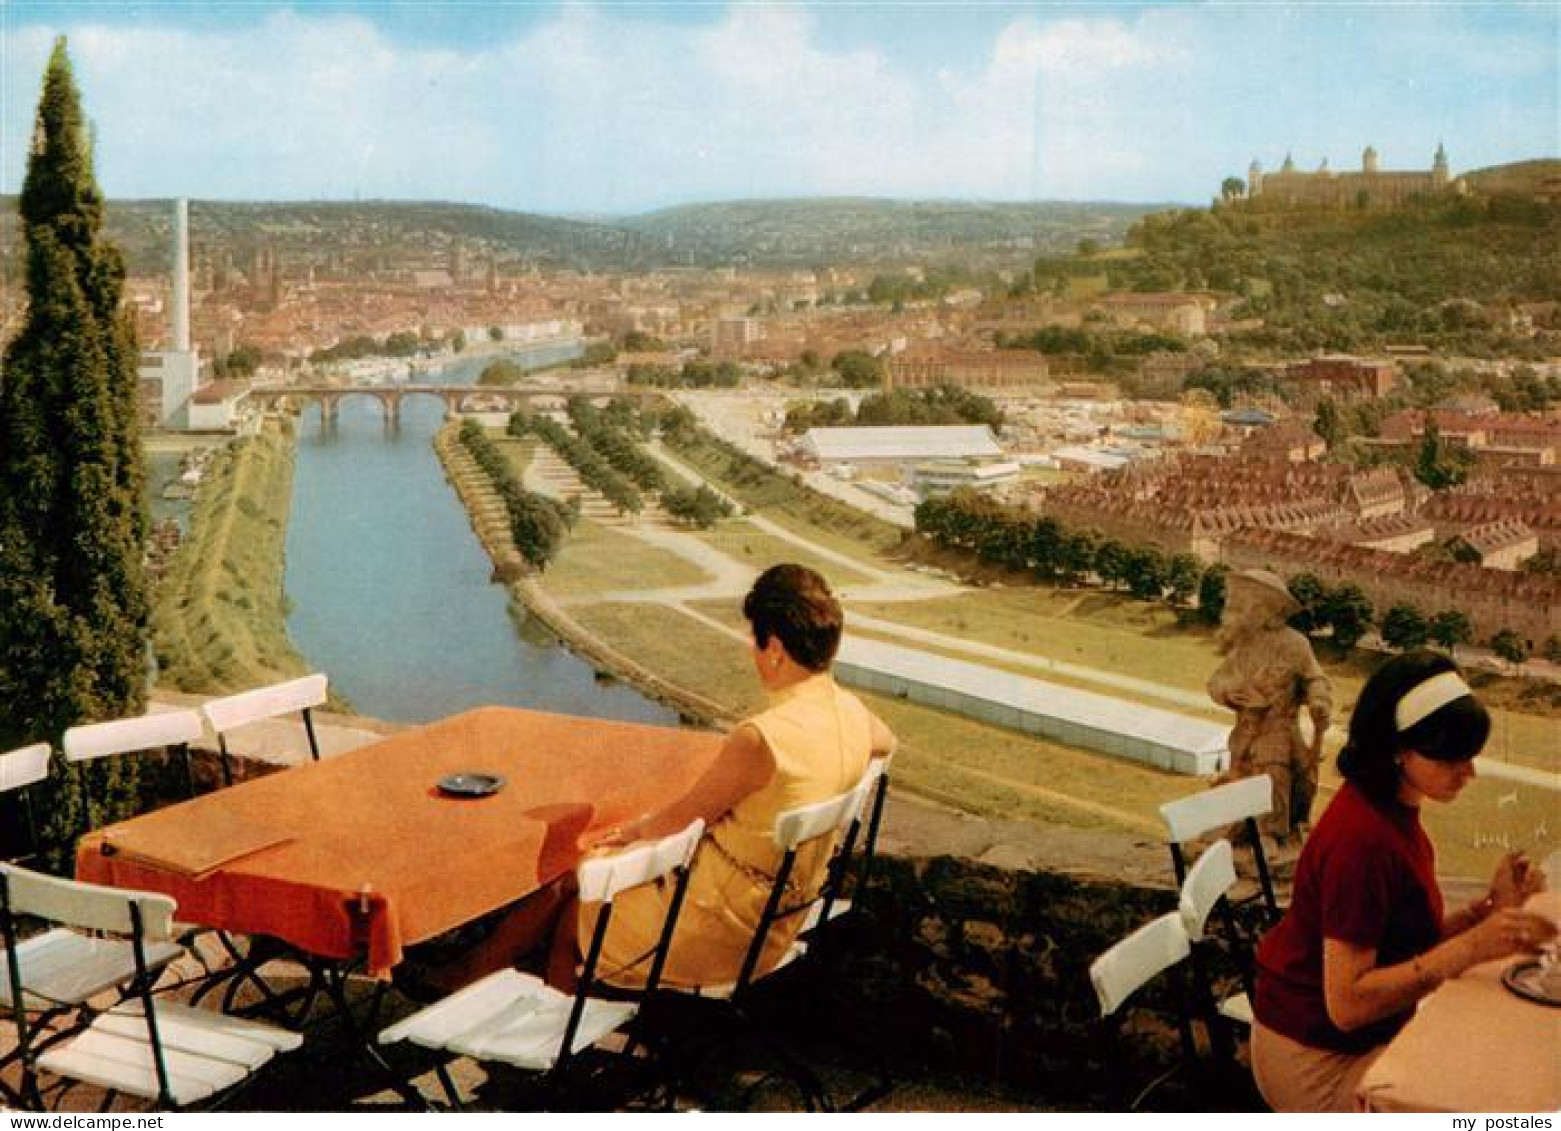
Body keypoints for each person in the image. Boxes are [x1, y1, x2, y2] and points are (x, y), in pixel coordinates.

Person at [423, 563, 896, 994]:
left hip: (720, 927)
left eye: (753, 639)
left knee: (574, 900)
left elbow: (681, 820)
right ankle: (478, 975)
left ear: (774, 648)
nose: (751, 651)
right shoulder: (849, 713)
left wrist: (628, 833)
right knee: (579, 883)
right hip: (776, 918)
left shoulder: (762, 738)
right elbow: (884, 744)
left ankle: (534, 1022)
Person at [1250, 650, 1555, 1113]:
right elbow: (1348, 1005)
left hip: (1343, 1038)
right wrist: (1472, 947)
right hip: (1316, 1061)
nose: (1468, 773)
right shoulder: (1363, 841)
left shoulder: (1393, 807)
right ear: (1399, 749)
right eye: (1451, 758)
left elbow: (1403, 942)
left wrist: (1487, 913)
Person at [1207, 568, 1332, 848]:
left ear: (1264, 610)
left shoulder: (1295, 644)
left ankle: (1270, 834)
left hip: (1279, 729)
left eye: (1242, 605)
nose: (1234, 611)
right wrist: (1228, 693)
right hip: (1245, 733)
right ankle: (1244, 832)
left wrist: (1318, 701)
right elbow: (1216, 681)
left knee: (1274, 774)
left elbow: (1315, 678)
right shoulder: (1243, 644)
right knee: (1242, 785)